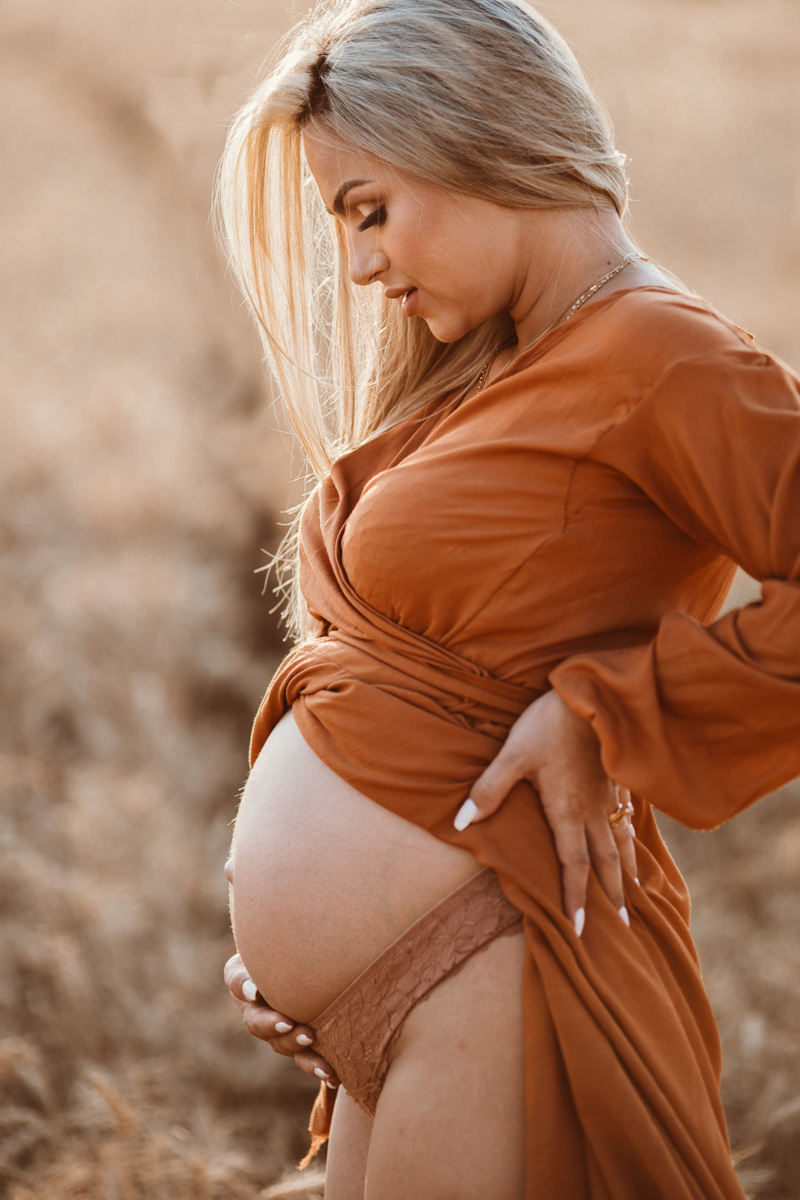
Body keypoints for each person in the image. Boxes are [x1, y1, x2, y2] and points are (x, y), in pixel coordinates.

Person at [214, 0, 800, 1196]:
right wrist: (298, 953)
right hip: (411, 991)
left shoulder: (662, 355)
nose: (361, 267)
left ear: (470, 135)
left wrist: (604, 715)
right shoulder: (495, 366)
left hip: (499, 958)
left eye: (367, 210)